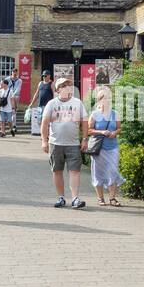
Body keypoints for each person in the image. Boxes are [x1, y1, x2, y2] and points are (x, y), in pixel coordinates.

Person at [41, 77, 87, 209]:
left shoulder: (77, 103)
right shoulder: (52, 104)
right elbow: (44, 124)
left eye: (69, 85)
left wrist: (84, 139)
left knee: (75, 171)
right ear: (58, 89)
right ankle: (61, 197)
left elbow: (84, 122)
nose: (68, 87)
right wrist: (44, 141)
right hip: (55, 143)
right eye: (65, 85)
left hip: (73, 143)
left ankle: (75, 199)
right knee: (57, 171)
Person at [87, 85, 125, 206]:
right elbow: (89, 130)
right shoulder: (94, 114)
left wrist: (115, 132)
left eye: (109, 98)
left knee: (113, 172)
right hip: (99, 149)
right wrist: (102, 132)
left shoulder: (115, 114)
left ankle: (112, 198)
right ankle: (100, 198)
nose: (107, 100)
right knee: (98, 172)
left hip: (112, 148)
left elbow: (119, 128)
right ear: (99, 100)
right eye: (104, 98)